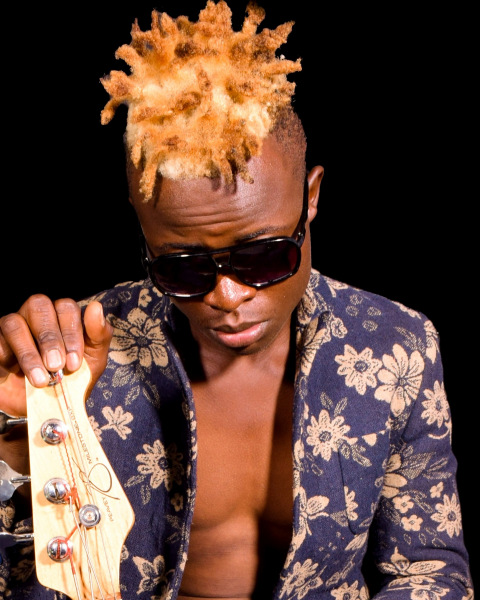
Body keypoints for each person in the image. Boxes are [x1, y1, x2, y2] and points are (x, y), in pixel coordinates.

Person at [0, 1, 473, 598]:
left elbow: (429, 570)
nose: (227, 295)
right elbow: (22, 582)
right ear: (144, 231)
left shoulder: (397, 346)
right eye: (183, 267)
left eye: (262, 258)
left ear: (311, 199)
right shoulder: (72, 363)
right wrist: (17, 442)